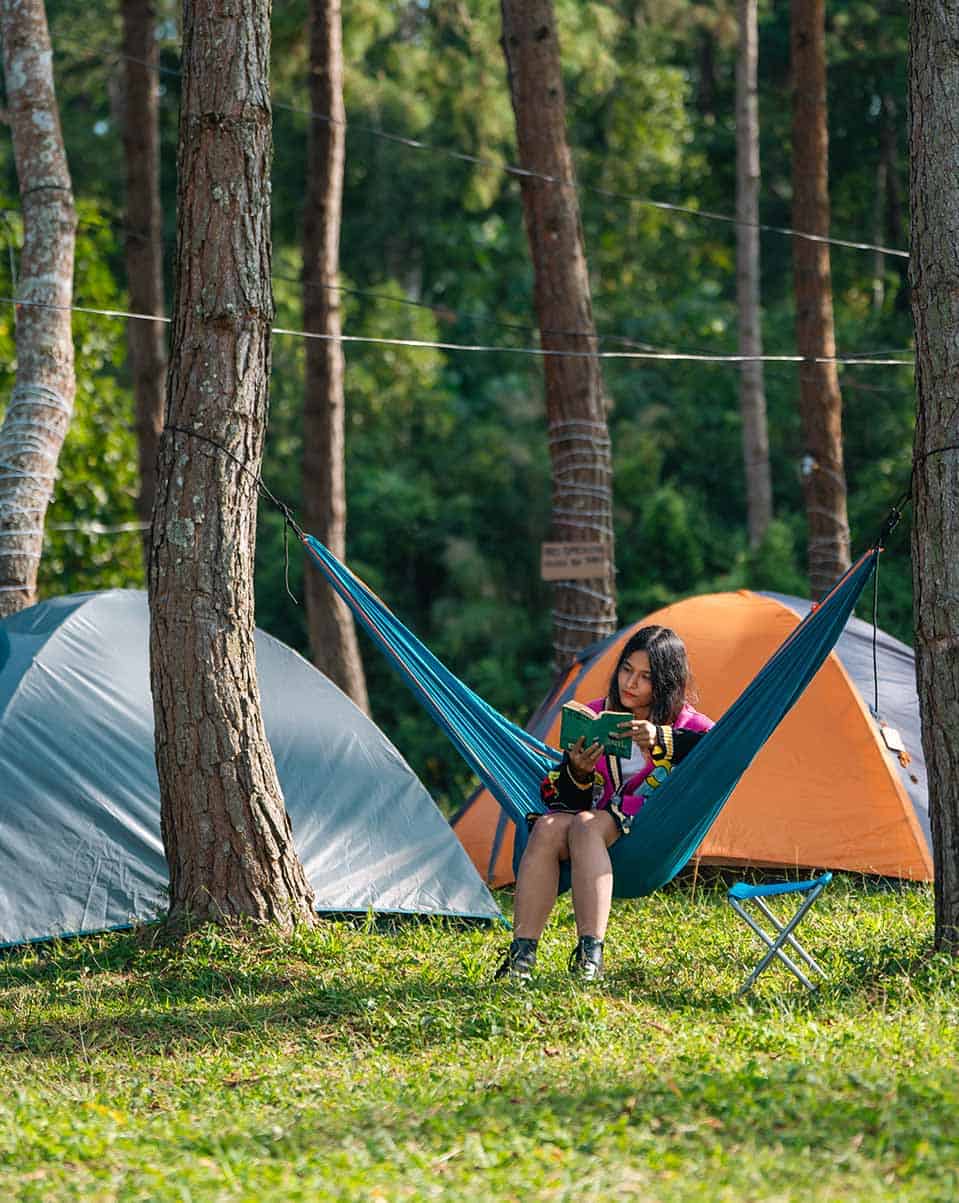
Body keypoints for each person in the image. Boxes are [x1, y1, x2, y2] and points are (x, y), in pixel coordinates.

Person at [496, 625, 714, 983]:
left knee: (586, 824)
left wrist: (660, 737)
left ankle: (590, 954)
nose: (631, 683)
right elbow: (566, 800)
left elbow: (719, 752)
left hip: (648, 830)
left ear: (667, 682)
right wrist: (578, 771)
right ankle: (522, 955)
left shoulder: (686, 724)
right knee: (549, 827)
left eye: (646, 677)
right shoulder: (596, 716)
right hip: (594, 822)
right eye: (627, 669)